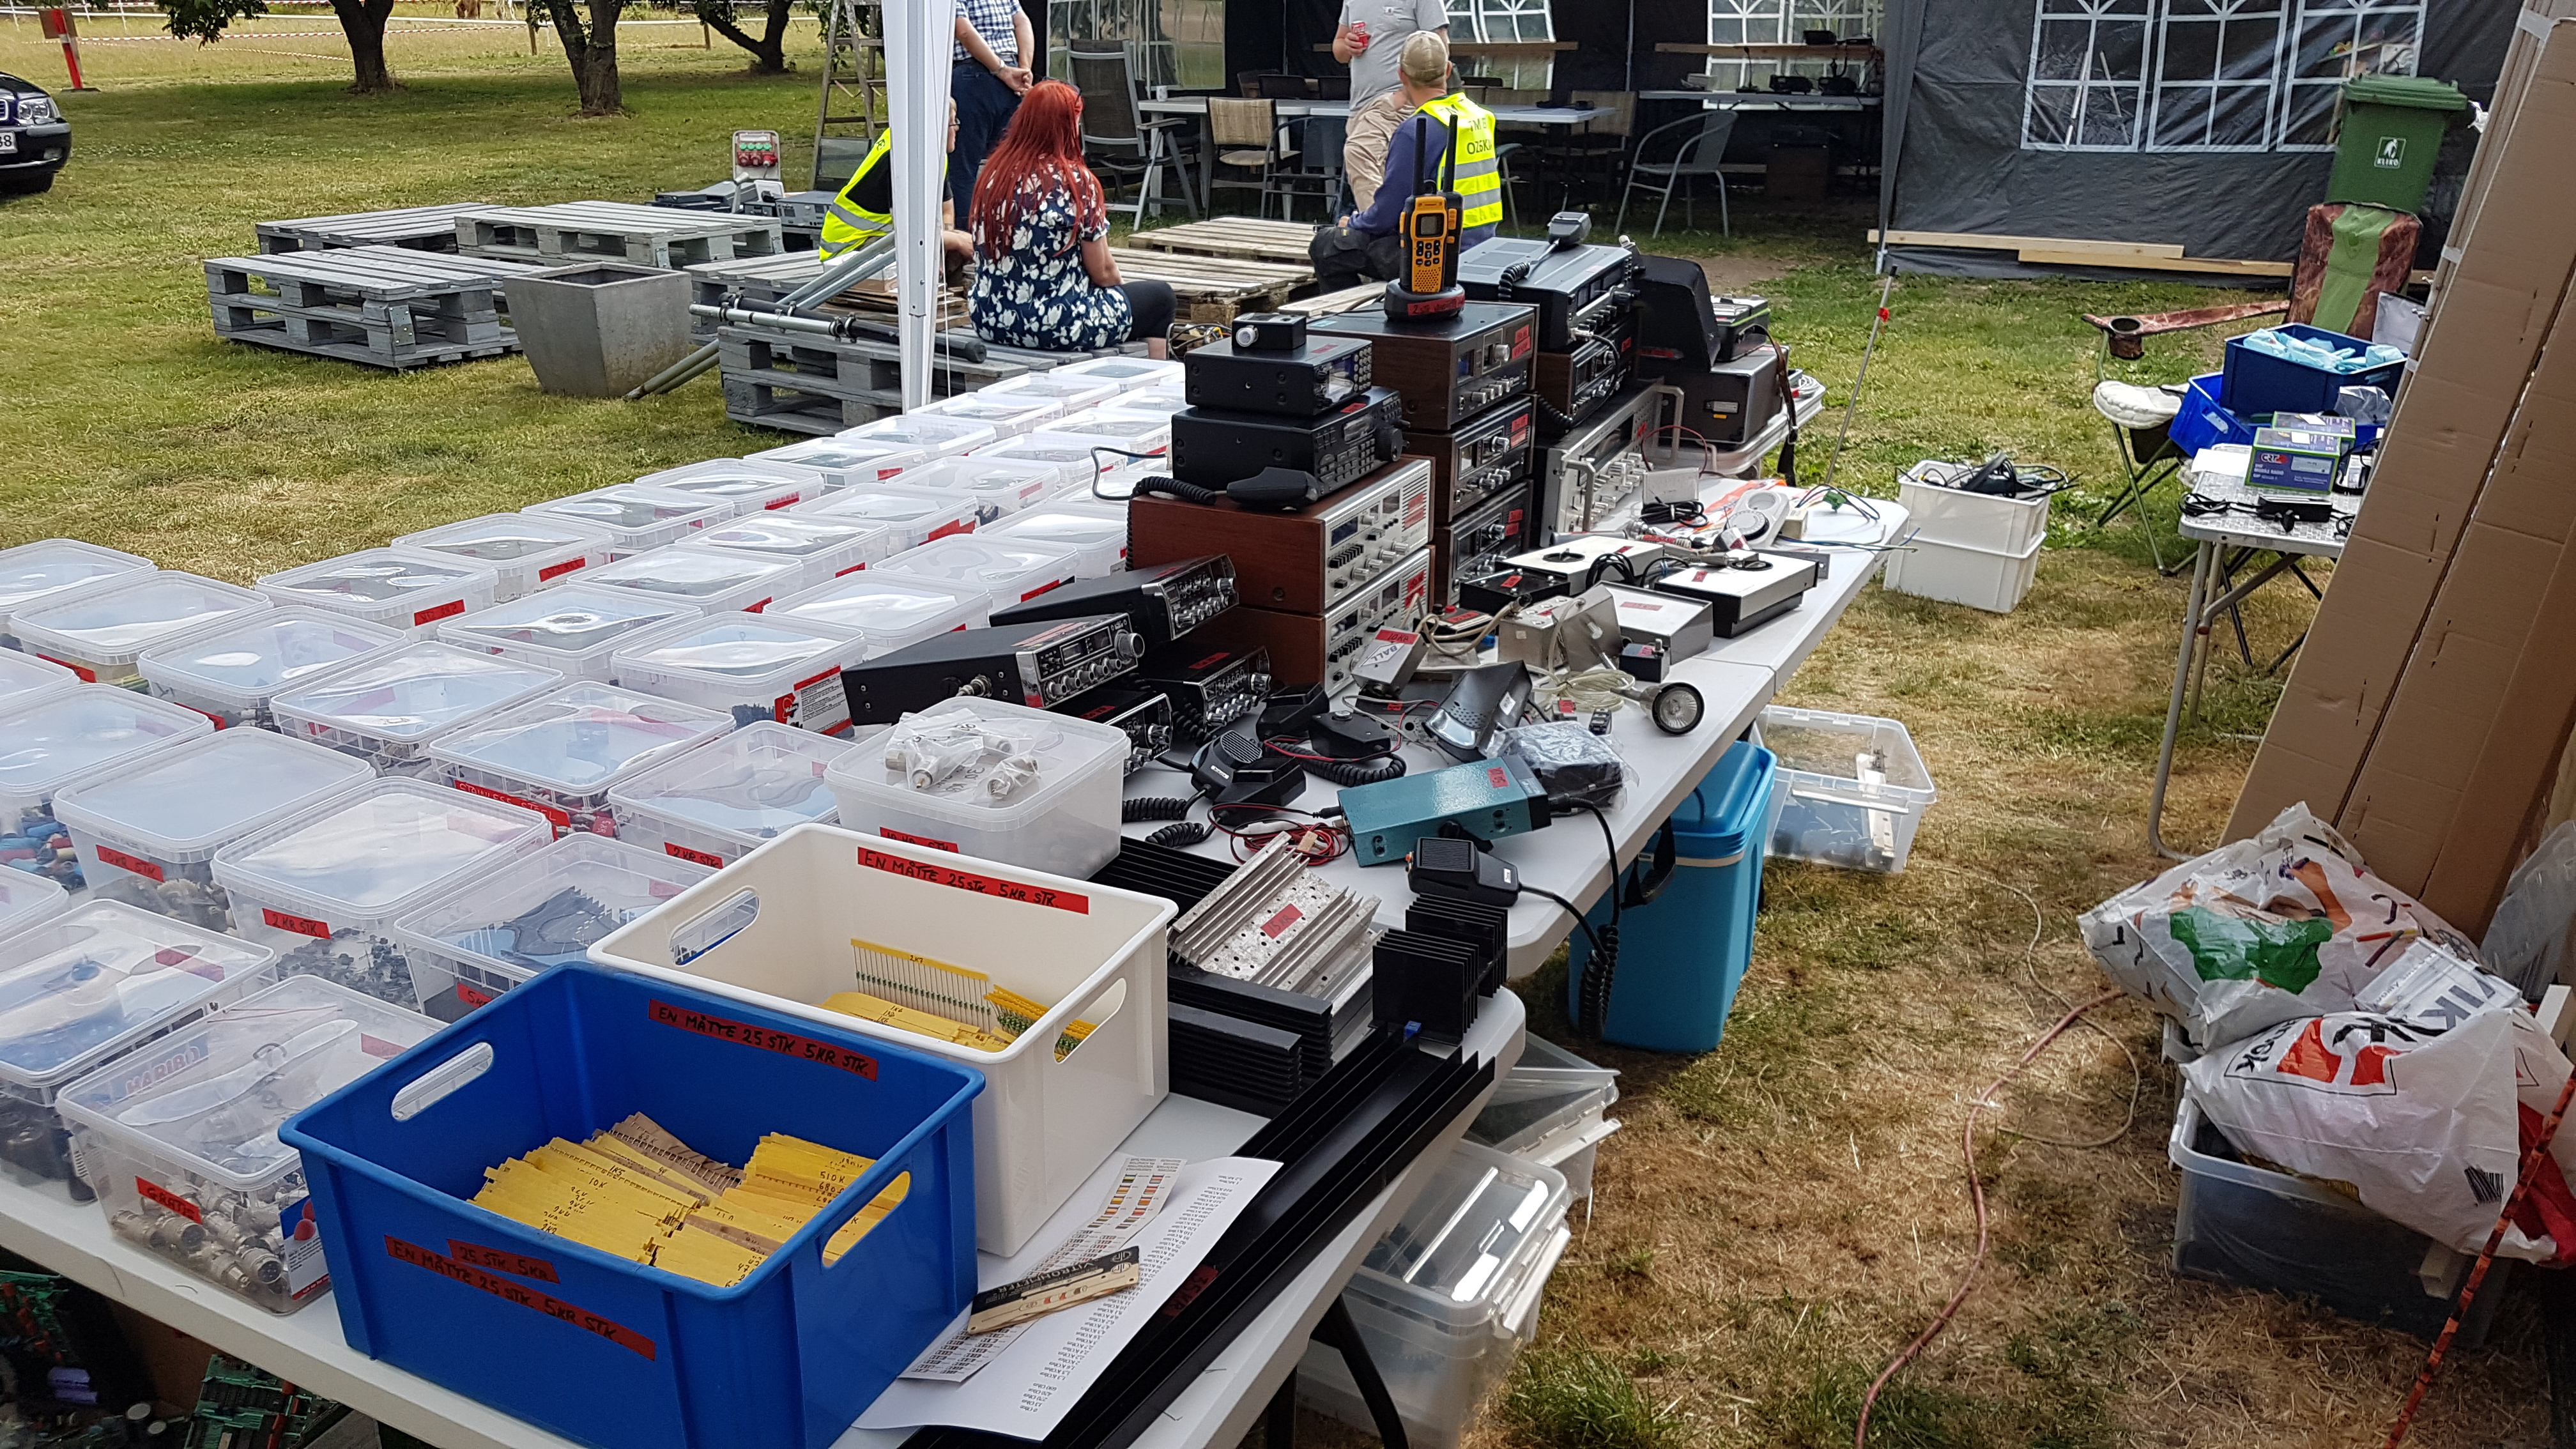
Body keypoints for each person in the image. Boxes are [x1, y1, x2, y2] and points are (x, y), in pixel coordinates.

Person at [967, 80, 1176, 359]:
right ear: (1068, 124)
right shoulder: (1076, 182)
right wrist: (1123, 293)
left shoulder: (993, 176)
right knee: (1160, 299)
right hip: (1057, 326)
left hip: (990, 320)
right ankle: (1157, 379)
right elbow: (1103, 273)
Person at [1309, 33, 1501, 291]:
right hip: (1482, 249)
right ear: (1447, 70)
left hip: (1430, 260)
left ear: (1402, 75)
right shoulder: (1480, 117)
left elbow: (1387, 213)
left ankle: (1351, 311)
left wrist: (1353, 223)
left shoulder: (1416, 131)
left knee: (1326, 246)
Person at [818, 103, 974, 268]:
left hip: (883, 236)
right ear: (935, 127)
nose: (957, 128)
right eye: (952, 122)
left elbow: (946, 210)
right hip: (848, 249)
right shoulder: (902, 157)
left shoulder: (933, 153)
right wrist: (953, 241)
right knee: (954, 243)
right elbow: (908, 233)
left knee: (964, 243)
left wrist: (945, 249)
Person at [1333, 0, 1447, 211]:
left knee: (1359, 154)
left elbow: (1439, 49)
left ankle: (1376, 226)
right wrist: (1346, 45)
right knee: (1384, 179)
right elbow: (1339, 49)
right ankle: (1393, 226)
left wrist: (1406, 94)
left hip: (1395, 103)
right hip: (1359, 106)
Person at [952, 0, 1034, 220]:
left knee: (963, 168)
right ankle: (1011, 230)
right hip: (1010, 78)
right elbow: (1022, 22)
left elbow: (964, 30)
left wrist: (1006, 71)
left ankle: (966, 235)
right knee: (1013, 165)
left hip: (975, 76)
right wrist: (1023, 69)